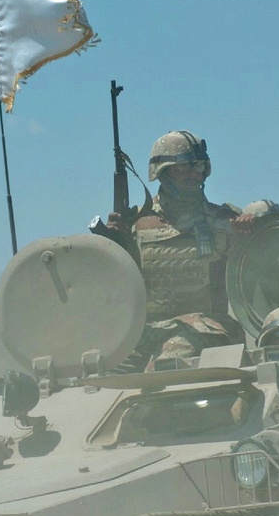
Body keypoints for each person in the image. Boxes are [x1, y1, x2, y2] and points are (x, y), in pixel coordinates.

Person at [99, 130, 258, 371]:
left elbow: (261, 278)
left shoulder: (225, 222)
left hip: (209, 329)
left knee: (166, 365)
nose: (193, 174)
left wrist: (250, 235)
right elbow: (112, 289)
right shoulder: (135, 224)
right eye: (182, 168)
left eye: (199, 166)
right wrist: (110, 245)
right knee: (104, 369)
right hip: (148, 332)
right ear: (161, 173)